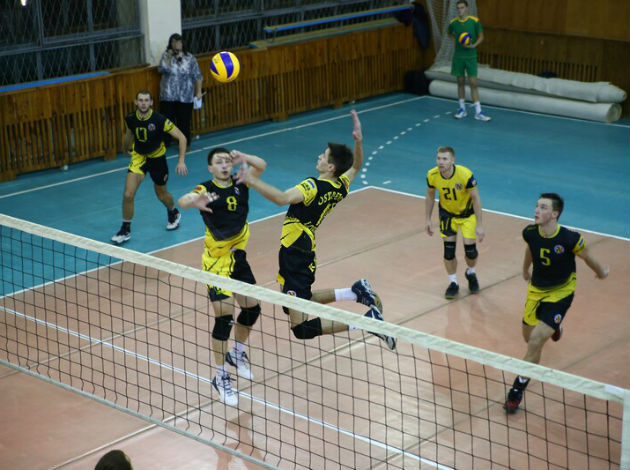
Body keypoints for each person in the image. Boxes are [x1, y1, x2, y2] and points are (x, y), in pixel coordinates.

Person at [238, 110, 396, 350]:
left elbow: (282, 198)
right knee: (293, 302)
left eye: (323, 156)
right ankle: (354, 292)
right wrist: (359, 141)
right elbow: (356, 166)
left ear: (330, 166)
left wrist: (252, 181)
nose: (319, 157)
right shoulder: (339, 186)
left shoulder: (311, 186)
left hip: (295, 251)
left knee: (301, 328)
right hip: (301, 247)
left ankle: (366, 322)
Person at [504, 193, 609, 413]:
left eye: (543, 207)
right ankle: (555, 326)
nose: (536, 210)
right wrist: (525, 269)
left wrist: (601, 271)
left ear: (555, 214)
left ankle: (517, 389)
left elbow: (587, 256)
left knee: (535, 341)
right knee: (528, 337)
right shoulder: (530, 232)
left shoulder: (570, 239)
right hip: (536, 290)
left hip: (561, 292)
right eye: (536, 206)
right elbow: (530, 249)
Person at [177, 148, 266, 406]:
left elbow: (261, 164)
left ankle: (236, 354)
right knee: (224, 318)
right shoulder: (205, 188)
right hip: (216, 263)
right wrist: (194, 200)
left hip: (238, 258)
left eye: (227, 161)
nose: (224, 165)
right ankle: (220, 376)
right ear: (210, 168)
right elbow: (183, 200)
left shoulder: (241, 181)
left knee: (252, 309)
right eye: (219, 162)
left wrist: (244, 157)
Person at [111, 90, 188, 245]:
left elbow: (182, 137)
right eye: (141, 100)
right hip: (139, 158)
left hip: (157, 159)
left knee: (161, 194)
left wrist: (181, 161)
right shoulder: (131, 118)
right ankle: (125, 229)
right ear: (136, 102)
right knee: (128, 195)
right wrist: (125, 148)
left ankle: (173, 212)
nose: (143, 103)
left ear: (151, 103)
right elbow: (130, 133)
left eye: (146, 100)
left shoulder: (159, 119)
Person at [425, 146, 484, 299]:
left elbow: (476, 198)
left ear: (452, 160)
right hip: (447, 215)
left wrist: (479, 224)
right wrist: (428, 219)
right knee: (449, 252)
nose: (441, 162)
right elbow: (430, 196)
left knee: (471, 252)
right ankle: (453, 283)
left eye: (445, 159)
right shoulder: (432, 175)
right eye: (439, 158)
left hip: (467, 215)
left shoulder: (465, 175)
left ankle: (471, 272)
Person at [447, 0, 491, 121]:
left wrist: (474, 45)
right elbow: (449, 34)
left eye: (462, 7)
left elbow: (481, 36)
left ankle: (479, 112)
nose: (460, 10)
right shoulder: (453, 23)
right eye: (458, 8)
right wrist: (457, 41)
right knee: (460, 82)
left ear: (467, 8)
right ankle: (462, 109)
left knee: (473, 83)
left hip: (471, 57)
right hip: (458, 57)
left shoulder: (474, 21)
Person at [158, 33, 203, 147]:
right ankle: (165, 142)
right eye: (173, 42)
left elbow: (197, 75)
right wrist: (169, 56)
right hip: (168, 95)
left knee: (184, 121)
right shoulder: (166, 56)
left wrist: (198, 92)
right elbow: (161, 69)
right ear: (170, 44)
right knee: (166, 120)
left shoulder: (190, 58)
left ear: (182, 43)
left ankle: (184, 143)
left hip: (185, 96)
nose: (176, 44)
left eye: (178, 41)